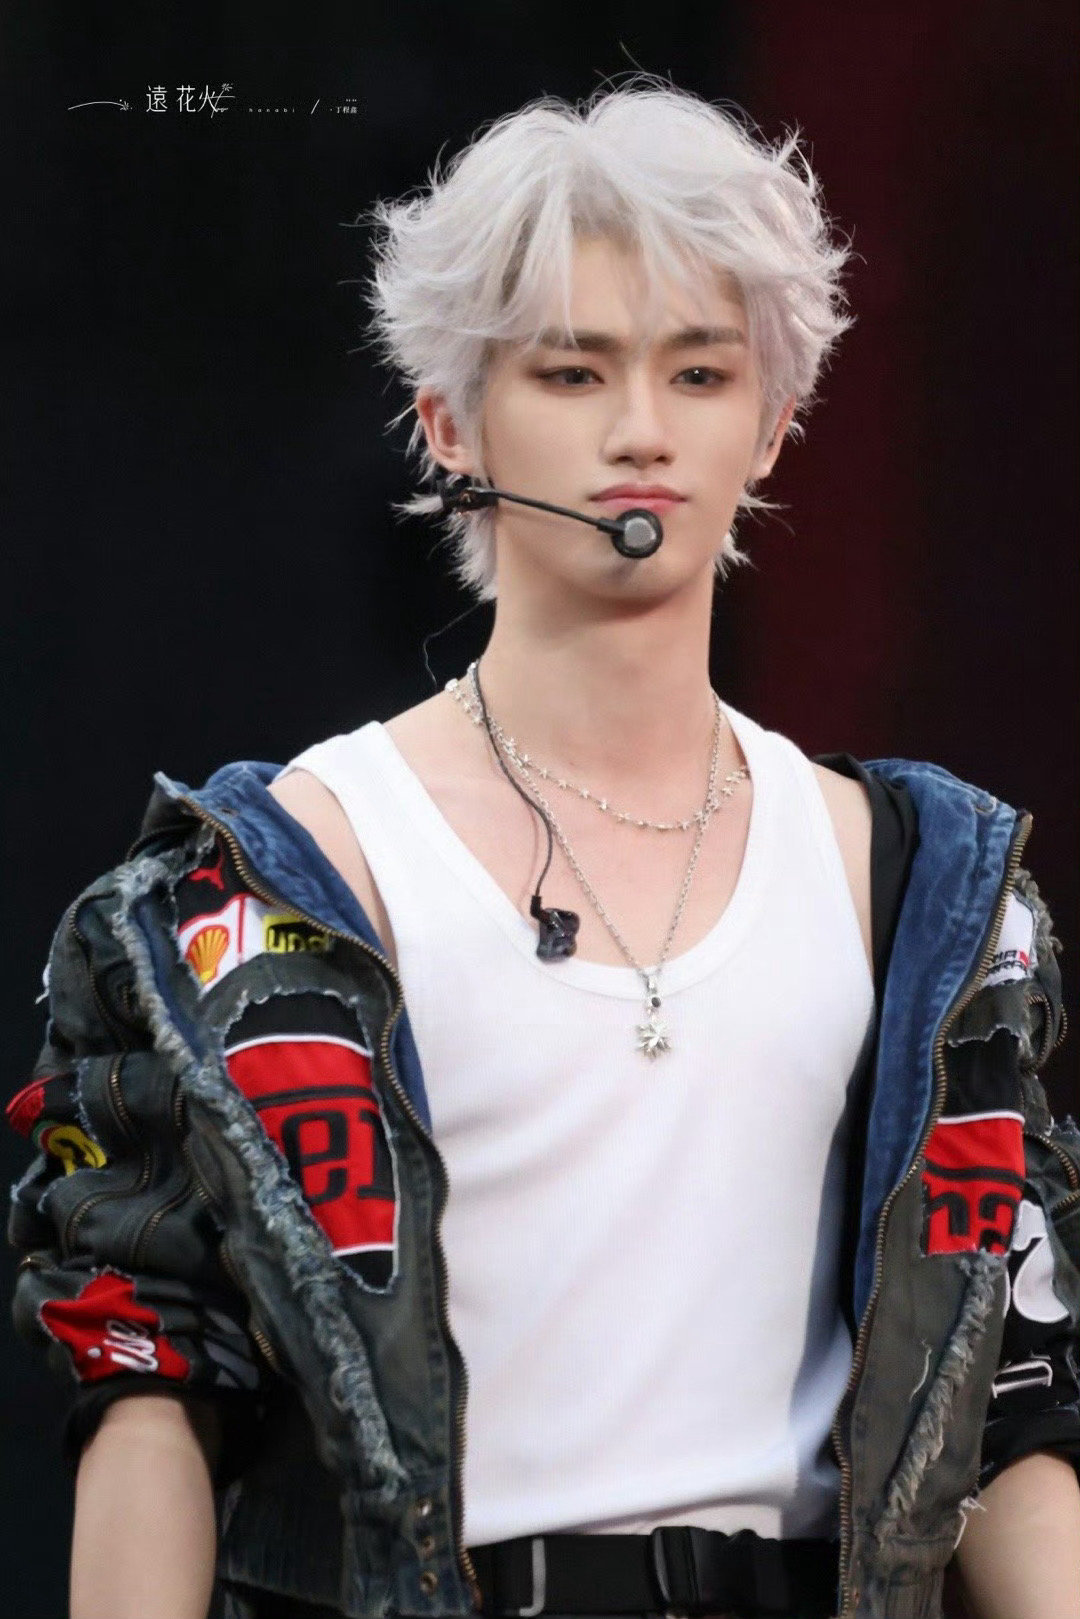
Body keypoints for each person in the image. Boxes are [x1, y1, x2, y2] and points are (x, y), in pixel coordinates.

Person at [8, 81, 1080, 1619]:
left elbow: (1011, 1397)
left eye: (700, 372)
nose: (640, 430)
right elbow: (153, 1381)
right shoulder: (284, 873)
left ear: (773, 423)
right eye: (574, 372)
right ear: (450, 422)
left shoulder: (916, 889)